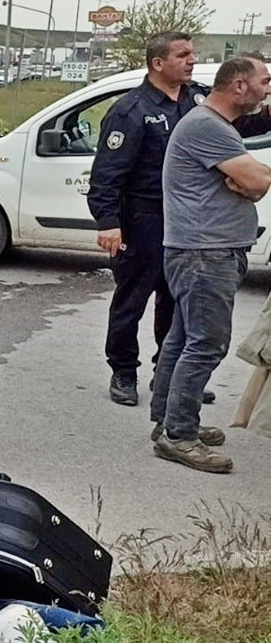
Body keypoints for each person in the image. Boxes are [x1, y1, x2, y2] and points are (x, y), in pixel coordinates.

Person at [87, 33, 271, 406]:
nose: (192, 60)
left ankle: (169, 375)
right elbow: (107, 174)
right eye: (183, 55)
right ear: (158, 63)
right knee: (131, 300)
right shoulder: (131, 110)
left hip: (186, 219)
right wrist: (108, 222)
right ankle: (123, 371)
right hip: (144, 219)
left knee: (177, 304)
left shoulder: (198, 99)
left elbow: (241, 125)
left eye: (192, 54)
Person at [150, 55, 271, 473]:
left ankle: (168, 422)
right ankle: (178, 436)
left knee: (183, 339)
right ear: (239, 86)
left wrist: (249, 183)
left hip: (203, 250)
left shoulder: (216, 127)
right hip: (205, 253)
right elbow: (257, 182)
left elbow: (250, 184)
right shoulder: (207, 127)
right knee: (205, 344)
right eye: (265, 80)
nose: (268, 88)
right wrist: (252, 181)